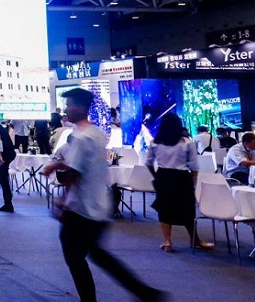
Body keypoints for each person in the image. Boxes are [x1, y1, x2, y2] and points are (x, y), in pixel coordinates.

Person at [43, 88, 164, 302]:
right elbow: (83, 165)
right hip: (99, 205)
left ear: (80, 107)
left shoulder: (81, 137)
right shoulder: (96, 133)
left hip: (81, 209)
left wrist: (62, 203)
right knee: (97, 255)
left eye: (69, 105)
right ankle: (144, 292)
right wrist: (58, 165)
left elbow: (75, 174)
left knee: (75, 257)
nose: (66, 110)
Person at [146, 113, 213, 252]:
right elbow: (194, 166)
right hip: (181, 177)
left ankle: (167, 241)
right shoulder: (187, 142)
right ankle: (195, 240)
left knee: (164, 209)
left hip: (163, 176)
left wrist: (156, 176)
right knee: (187, 210)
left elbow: (148, 162)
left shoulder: (155, 142)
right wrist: (192, 180)